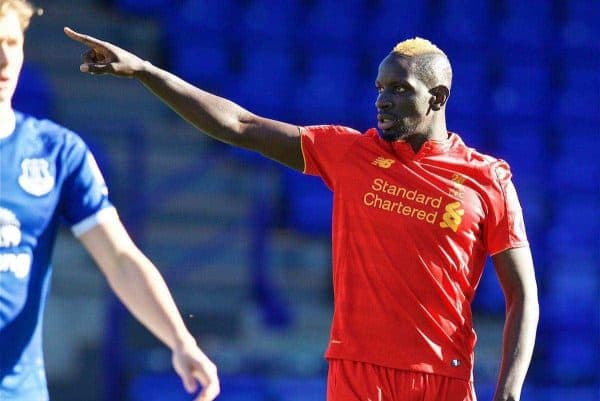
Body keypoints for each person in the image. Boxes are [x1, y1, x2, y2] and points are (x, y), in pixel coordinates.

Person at [64, 25, 540, 401]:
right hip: (358, 372)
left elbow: (523, 295)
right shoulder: (348, 153)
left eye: (399, 89)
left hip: (444, 378)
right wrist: (146, 70)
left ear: (437, 98)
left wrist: (509, 391)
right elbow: (238, 124)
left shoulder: (487, 179)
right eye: (379, 87)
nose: (381, 99)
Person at [0, 2, 220, 400]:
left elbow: (120, 258)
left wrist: (179, 340)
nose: (4, 59)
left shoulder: (57, 153)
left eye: (12, 43)